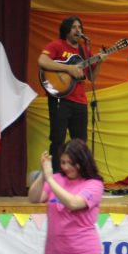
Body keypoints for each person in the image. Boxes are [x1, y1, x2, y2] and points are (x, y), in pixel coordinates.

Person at [38, 16, 103, 173]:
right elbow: (42, 61)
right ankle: (54, 177)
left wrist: (100, 61)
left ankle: (78, 178)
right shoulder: (57, 45)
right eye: (74, 27)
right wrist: (68, 69)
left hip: (80, 102)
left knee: (80, 144)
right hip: (60, 100)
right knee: (58, 140)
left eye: (80, 27)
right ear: (66, 30)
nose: (78, 30)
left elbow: (92, 77)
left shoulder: (84, 50)